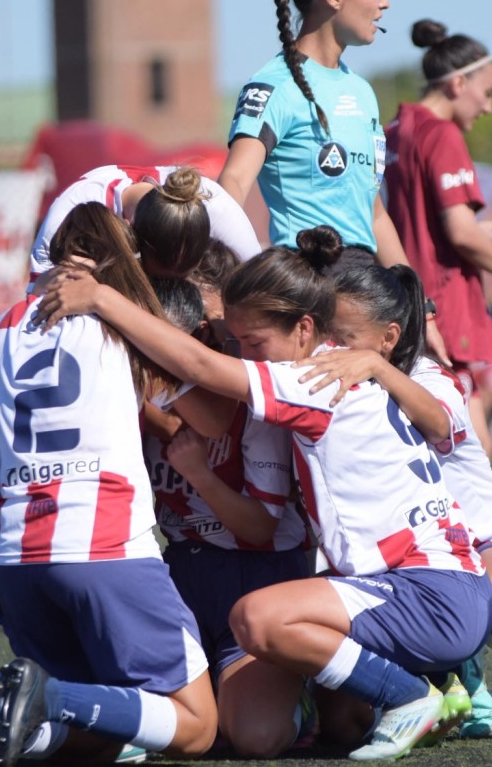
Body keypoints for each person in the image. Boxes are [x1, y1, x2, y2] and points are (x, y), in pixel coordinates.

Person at [42, 226, 492, 761]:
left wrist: (102, 298)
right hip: (433, 585)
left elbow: (200, 367)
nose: (244, 354)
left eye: (253, 342)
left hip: (426, 591)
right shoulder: (332, 368)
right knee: (330, 713)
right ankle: (420, 688)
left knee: (259, 623)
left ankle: (412, 696)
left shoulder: (309, 379)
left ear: (305, 329)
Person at [0, 203, 219, 767]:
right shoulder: (122, 321)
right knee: (195, 727)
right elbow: (208, 411)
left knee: (99, 723)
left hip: (17, 555)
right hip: (106, 549)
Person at [297, 262, 492, 742]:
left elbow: (439, 425)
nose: (333, 347)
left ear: (388, 337)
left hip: (488, 541)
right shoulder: (318, 381)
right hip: (412, 558)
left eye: (346, 335)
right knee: (342, 727)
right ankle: (452, 676)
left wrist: (377, 370)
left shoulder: (430, 377)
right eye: (326, 333)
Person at [142, 277, 314, 759]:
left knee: (255, 737)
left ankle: (304, 691)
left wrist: (199, 473)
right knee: (162, 731)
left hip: (259, 578)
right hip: (180, 574)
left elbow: (260, 528)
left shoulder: (252, 396)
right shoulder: (134, 394)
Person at [384, 18, 492, 453]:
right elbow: (458, 233)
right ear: (458, 83)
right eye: (488, 92)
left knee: (436, 446)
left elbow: (418, 223)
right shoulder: (443, 134)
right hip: (442, 303)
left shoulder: (396, 129)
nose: (489, 106)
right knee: (472, 455)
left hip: (405, 300)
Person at [218, 0, 409, 272]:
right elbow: (234, 180)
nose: (384, 1)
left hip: (364, 284)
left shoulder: (362, 92)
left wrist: (421, 306)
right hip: (307, 282)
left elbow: (375, 215)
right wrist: (245, 270)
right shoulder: (274, 84)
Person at [30, 164, 260, 284]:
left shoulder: (215, 206)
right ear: (130, 233)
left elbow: (265, 288)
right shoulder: (71, 214)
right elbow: (36, 300)